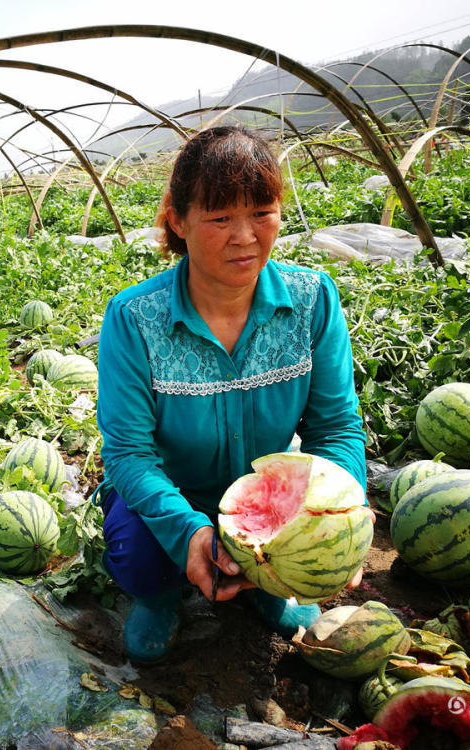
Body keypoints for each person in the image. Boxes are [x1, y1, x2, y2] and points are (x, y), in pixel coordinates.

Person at [94, 125, 370, 663]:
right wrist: (192, 535)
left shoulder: (312, 299)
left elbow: (335, 428)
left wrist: (342, 514)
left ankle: (273, 585)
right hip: (172, 490)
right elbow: (129, 454)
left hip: (269, 490)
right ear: (178, 220)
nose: (245, 236)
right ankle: (159, 598)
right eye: (220, 218)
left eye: (262, 213)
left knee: (294, 554)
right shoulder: (133, 317)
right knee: (138, 557)